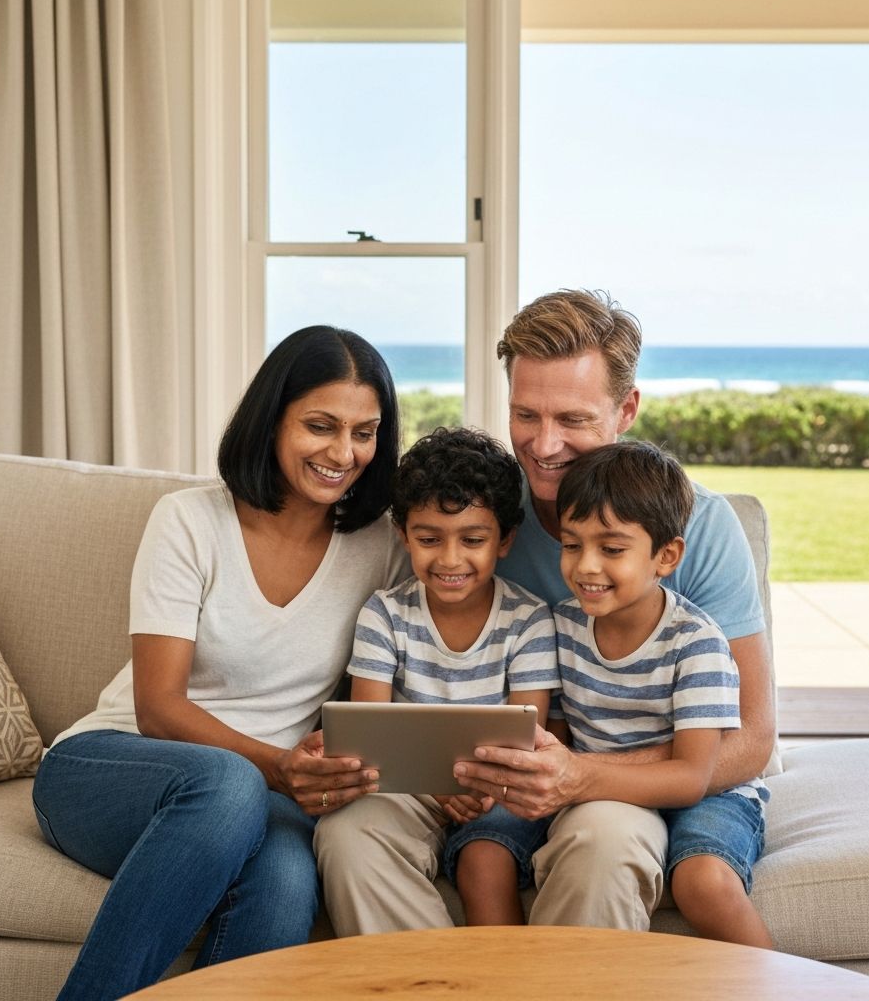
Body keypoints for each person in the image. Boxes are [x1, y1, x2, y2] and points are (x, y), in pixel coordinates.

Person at [316, 288, 775, 936]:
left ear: (626, 410)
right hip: (516, 777)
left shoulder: (701, 526)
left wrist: (582, 774)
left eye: (573, 419)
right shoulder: (488, 515)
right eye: (525, 415)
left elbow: (752, 739)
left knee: (602, 838)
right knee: (357, 834)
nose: (544, 444)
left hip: (613, 783)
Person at [31, 326, 409, 1001]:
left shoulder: (381, 546)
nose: (342, 453)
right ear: (272, 422)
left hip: (267, 797)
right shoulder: (188, 521)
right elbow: (159, 706)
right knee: (229, 785)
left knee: (289, 881)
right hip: (113, 765)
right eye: (320, 426)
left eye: (364, 432)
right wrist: (279, 769)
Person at [316, 427, 560, 929]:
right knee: (345, 832)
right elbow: (370, 734)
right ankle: (424, 976)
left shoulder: (530, 621)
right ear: (404, 536)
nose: (450, 560)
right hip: (408, 788)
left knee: (486, 857)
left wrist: (478, 786)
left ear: (505, 540)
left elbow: (528, 739)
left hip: (502, 792)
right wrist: (438, 785)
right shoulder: (384, 615)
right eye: (429, 539)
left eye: (473, 540)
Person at [550, 440, 771, 946]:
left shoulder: (696, 642)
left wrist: (581, 775)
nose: (586, 566)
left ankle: (779, 988)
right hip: (615, 794)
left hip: (709, 792)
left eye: (611, 549)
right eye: (571, 544)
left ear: (666, 556)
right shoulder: (561, 629)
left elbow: (693, 777)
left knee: (703, 883)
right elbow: (558, 738)